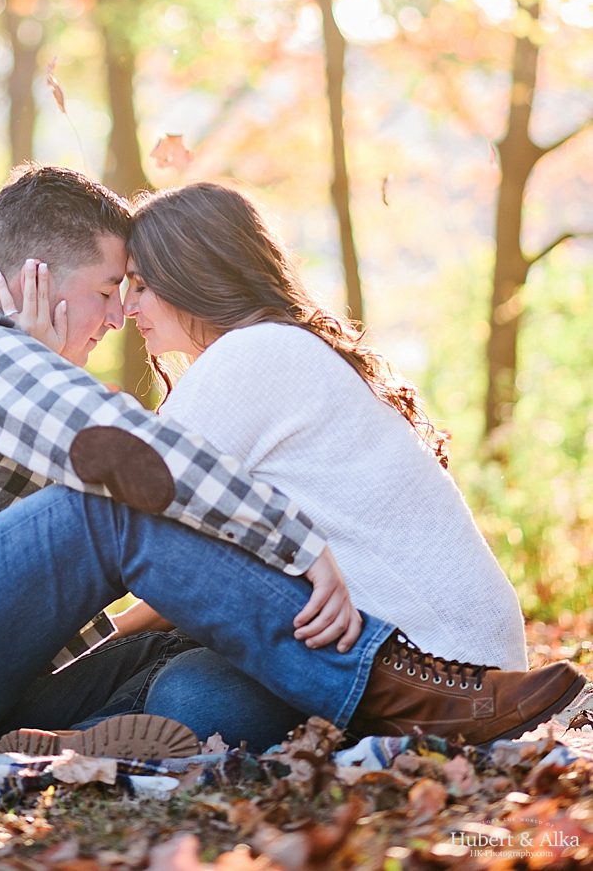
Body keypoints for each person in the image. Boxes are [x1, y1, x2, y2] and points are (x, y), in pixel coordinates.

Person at [0, 165, 583, 771]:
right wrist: (297, 543)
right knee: (123, 513)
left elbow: (72, 555)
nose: (118, 316)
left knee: (191, 683)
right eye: (113, 286)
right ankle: (406, 692)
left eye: (136, 290)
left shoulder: (15, 361)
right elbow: (136, 476)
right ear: (38, 275)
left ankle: (84, 747)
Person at [101, 179, 571, 746]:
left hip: (440, 666)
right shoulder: (284, 347)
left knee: (187, 695)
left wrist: (93, 644)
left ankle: (50, 734)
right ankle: (66, 735)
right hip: (463, 652)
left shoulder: (251, 356)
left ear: (193, 275)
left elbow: (122, 522)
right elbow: (200, 568)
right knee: (177, 681)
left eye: (143, 286)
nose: (127, 307)